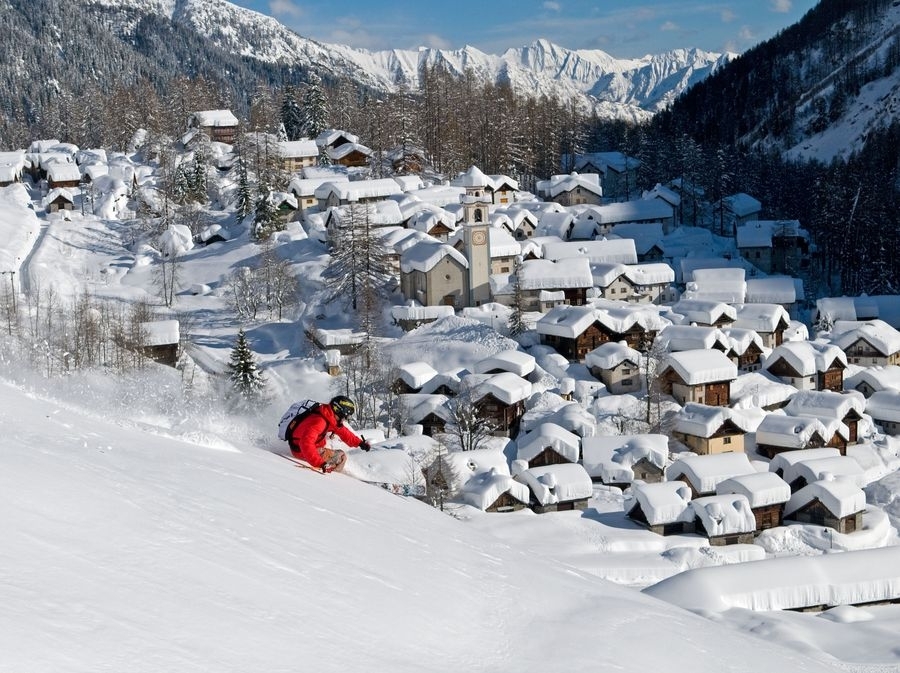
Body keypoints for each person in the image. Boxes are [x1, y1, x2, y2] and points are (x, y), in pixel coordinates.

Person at [288, 395, 370, 472]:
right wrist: (320, 463)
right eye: (345, 416)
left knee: (333, 448)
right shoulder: (320, 422)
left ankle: (328, 466)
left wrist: (359, 443)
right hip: (301, 451)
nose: (345, 419)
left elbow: (344, 432)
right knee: (341, 456)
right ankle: (332, 475)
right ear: (339, 411)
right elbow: (306, 443)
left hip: (303, 447)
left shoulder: (327, 415)